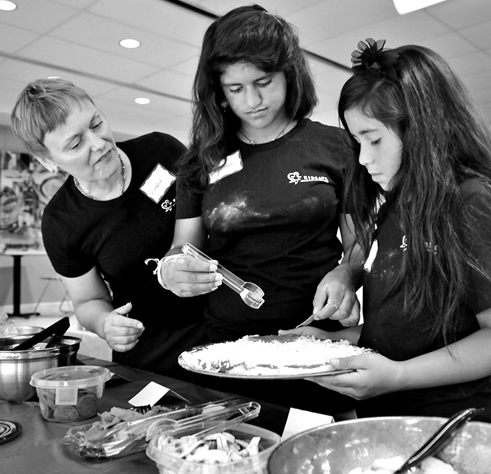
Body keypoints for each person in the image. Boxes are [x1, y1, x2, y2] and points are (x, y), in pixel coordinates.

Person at [156, 5, 363, 418]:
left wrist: (346, 273)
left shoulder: (336, 146)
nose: (252, 101)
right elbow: (184, 249)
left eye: (264, 82)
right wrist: (171, 271)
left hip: (316, 340)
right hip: (230, 346)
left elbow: (358, 243)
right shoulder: (202, 160)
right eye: (235, 89)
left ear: (290, 74)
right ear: (217, 90)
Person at [284, 39, 491, 422]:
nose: (363, 159)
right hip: (390, 416)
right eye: (357, 142)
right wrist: (329, 341)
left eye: (374, 139)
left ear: (423, 129)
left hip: (454, 420)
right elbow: (406, 329)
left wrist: (398, 376)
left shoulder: (470, 201)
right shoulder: (396, 204)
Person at [10, 78, 205, 378]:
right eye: (76, 143)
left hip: (222, 323)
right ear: (47, 161)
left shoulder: (161, 150)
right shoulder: (62, 222)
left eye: (97, 124)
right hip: (152, 349)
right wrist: (104, 324)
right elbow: (88, 300)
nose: (99, 144)